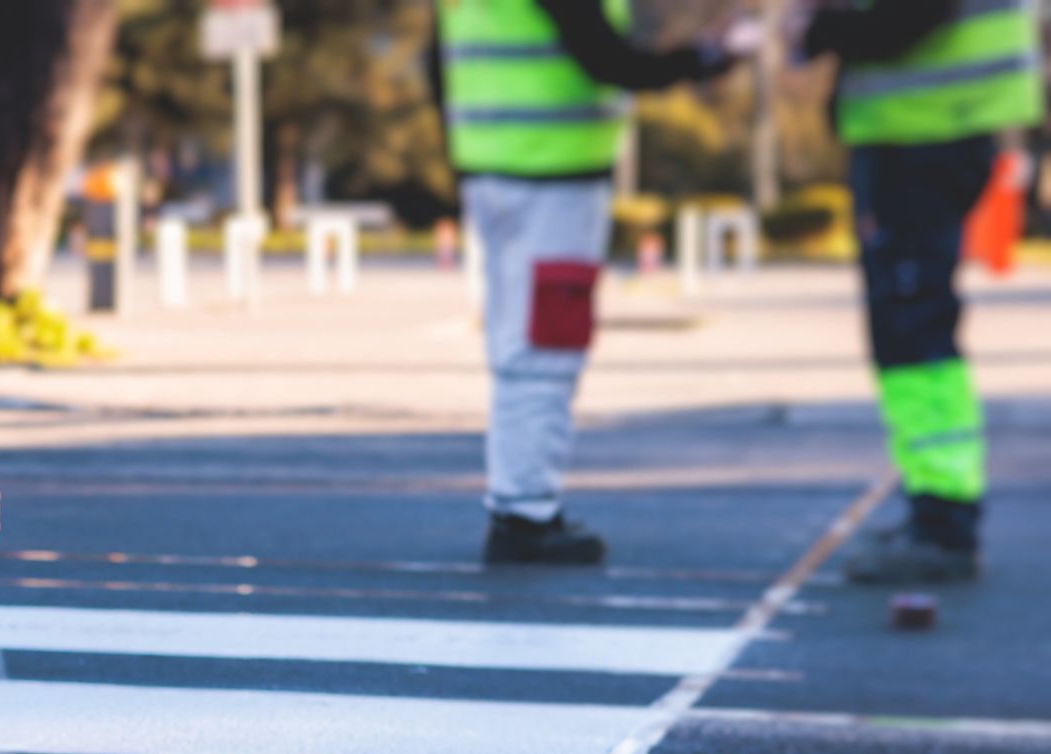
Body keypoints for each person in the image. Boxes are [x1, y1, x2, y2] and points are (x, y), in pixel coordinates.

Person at [432, 1, 756, 564]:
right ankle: (527, 514)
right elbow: (603, 57)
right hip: (554, 172)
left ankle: (518, 501)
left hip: (489, 165)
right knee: (547, 346)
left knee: (513, 344)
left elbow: (433, 62)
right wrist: (702, 60)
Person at [795, 0, 1044, 583]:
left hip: (924, 127)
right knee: (914, 325)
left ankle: (942, 522)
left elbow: (913, 14)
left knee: (913, 328)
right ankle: (936, 510)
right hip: (934, 122)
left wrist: (821, 29)